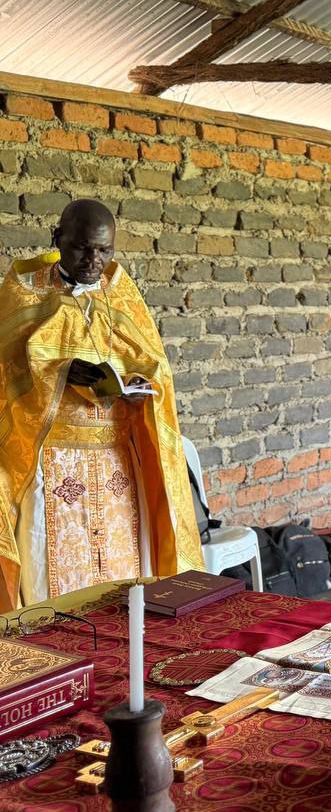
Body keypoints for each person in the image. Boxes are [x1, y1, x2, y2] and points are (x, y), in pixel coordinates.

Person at [0, 199, 203, 609]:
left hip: (117, 460)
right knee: (51, 575)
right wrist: (59, 371)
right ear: (57, 238)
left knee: (122, 571)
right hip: (50, 459)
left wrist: (142, 385)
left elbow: (154, 364)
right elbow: (6, 370)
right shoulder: (23, 291)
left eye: (104, 250)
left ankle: (126, 646)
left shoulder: (121, 293)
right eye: (82, 248)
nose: (94, 260)